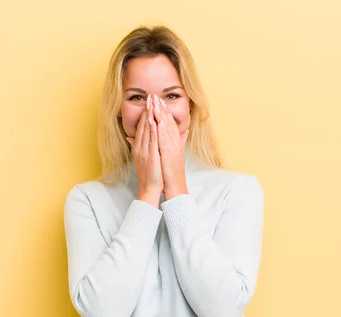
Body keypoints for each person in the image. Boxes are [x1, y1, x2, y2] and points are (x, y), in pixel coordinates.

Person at [64, 25, 264, 317]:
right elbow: (100, 312)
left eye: (171, 96)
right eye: (136, 97)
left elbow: (223, 308)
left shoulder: (238, 191)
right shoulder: (86, 200)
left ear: (191, 104)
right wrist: (147, 193)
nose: (155, 112)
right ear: (118, 109)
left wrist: (176, 189)